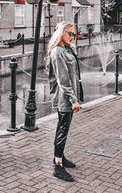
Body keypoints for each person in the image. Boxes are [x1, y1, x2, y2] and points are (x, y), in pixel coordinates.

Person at [46, 21, 84, 182]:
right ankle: (58, 167)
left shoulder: (66, 49)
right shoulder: (57, 52)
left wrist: (72, 48)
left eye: (74, 34)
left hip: (68, 97)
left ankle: (60, 156)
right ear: (61, 32)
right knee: (62, 129)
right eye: (70, 33)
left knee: (63, 129)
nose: (73, 37)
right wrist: (73, 99)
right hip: (64, 98)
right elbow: (63, 80)